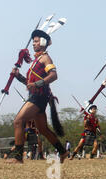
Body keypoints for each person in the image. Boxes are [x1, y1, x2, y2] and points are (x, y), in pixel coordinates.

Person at [7, 30, 67, 163]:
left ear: (44, 42)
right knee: (43, 129)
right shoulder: (36, 61)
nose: (33, 44)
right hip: (37, 95)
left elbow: (53, 75)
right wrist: (18, 76)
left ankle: (18, 157)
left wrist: (37, 83)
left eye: (36, 41)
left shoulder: (45, 58)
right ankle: (63, 152)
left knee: (18, 121)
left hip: (39, 97)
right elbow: (29, 84)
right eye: (33, 41)